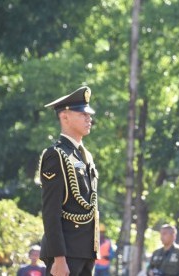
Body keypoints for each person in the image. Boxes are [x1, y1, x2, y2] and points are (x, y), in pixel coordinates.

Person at [37, 86, 100, 276]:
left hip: (85, 251)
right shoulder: (55, 155)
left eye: (89, 114)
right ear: (65, 117)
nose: (89, 118)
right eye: (82, 114)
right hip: (66, 253)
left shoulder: (85, 156)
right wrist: (59, 258)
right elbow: (51, 210)